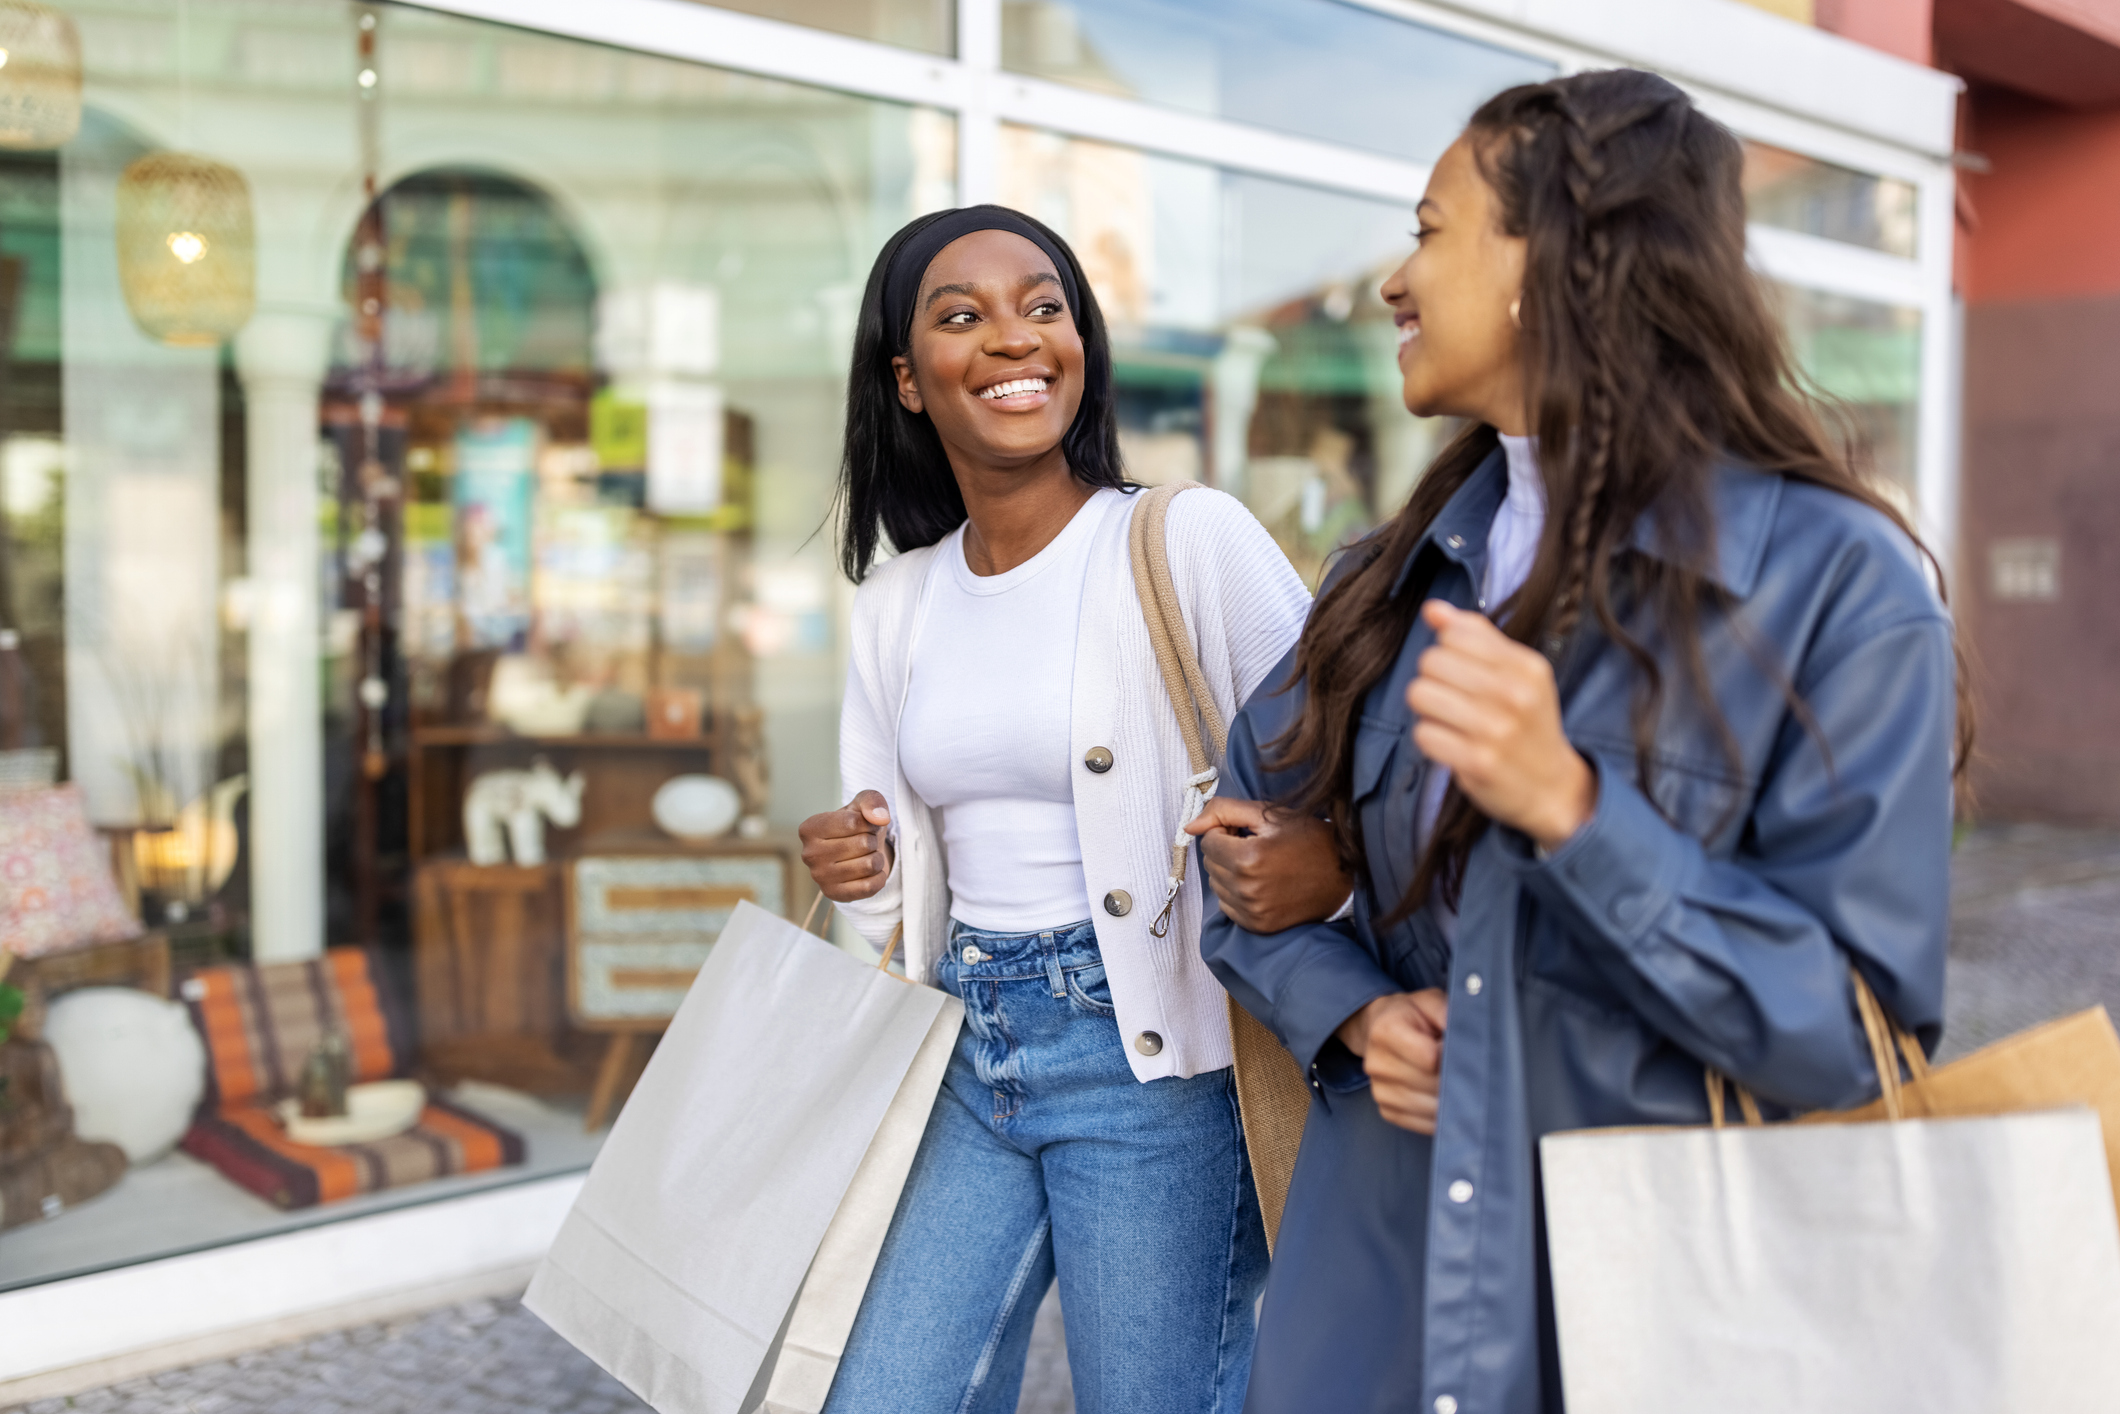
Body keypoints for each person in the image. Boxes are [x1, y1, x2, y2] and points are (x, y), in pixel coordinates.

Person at [1187, 69, 1970, 1414]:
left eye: (1430, 230)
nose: (1392, 279)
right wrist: (1359, 1008)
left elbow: (1853, 1036)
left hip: (1660, 1315)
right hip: (1374, 1303)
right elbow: (1237, 866)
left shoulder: (1840, 587)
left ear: (1546, 259)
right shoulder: (1388, 581)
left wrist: (1574, 807)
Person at [798, 204, 1309, 1414]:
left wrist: (1302, 856)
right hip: (968, 1043)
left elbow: (1335, 761)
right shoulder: (897, 602)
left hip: (1149, 1060)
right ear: (908, 381)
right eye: (961, 317)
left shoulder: (1183, 540)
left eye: (1043, 307)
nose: (1014, 341)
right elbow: (889, 878)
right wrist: (851, 863)